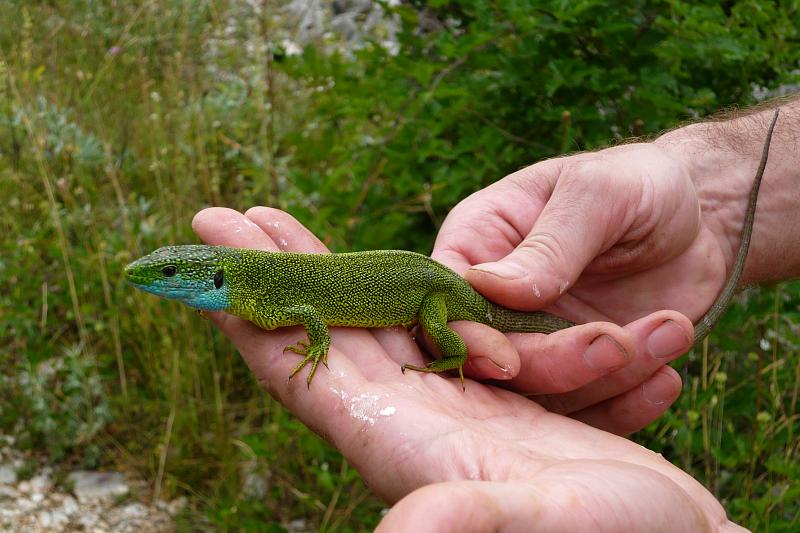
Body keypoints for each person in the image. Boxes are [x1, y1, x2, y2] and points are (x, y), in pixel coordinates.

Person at [191, 101, 795, 530]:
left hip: (433, 291)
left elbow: (308, 314)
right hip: (420, 281)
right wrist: (717, 205)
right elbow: (307, 304)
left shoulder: (262, 292)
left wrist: (327, 347)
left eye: (175, 274)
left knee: (447, 337)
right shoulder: (254, 287)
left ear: (209, 274)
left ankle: (451, 359)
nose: (166, 280)